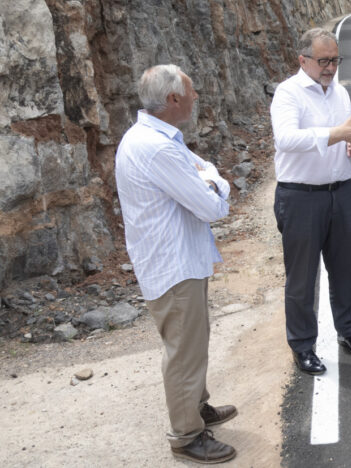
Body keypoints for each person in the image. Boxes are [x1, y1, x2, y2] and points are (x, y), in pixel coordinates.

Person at [115, 65, 237, 464]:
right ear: (172, 99)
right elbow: (212, 206)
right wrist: (214, 182)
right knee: (184, 350)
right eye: (190, 91)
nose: (196, 97)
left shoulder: (154, 137)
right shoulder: (158, 148)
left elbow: (204, 175)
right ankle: (186, 436)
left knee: (193, 343)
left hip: (179, 260)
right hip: (174, 265)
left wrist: (208, 179)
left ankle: (196, 408)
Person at [271, 28, 351, 376]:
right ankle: (303, 346)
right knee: (302, 279)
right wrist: (338, 134)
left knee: (345, 271)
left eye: (335, 59)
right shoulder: (288, 93)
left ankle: (349, 331)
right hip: (300, 197)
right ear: (303, 60)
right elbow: (287, 139)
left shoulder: (340, 93)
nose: (331, 67)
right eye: (324, 61)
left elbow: (350, 143)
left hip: (341, 193)